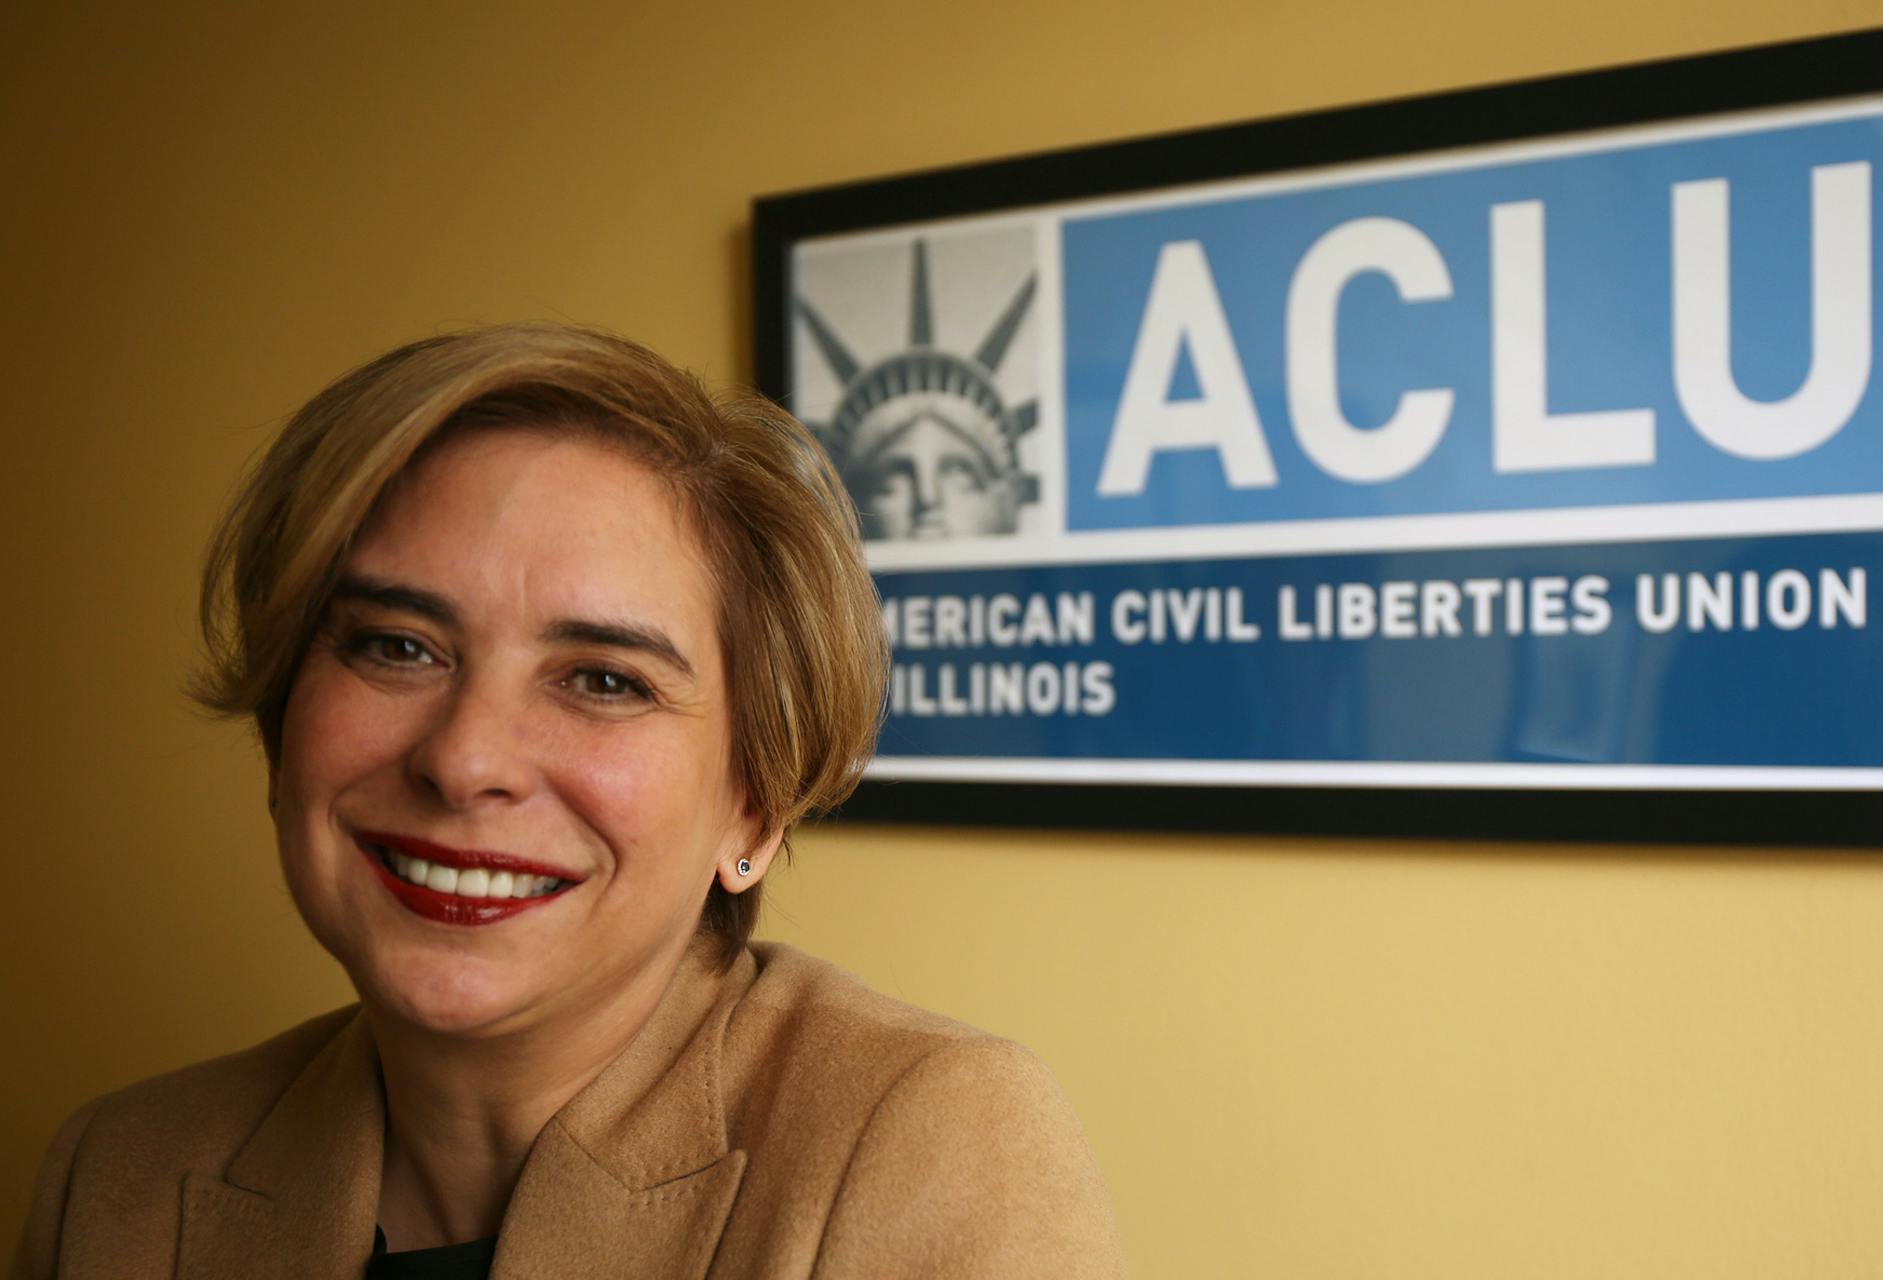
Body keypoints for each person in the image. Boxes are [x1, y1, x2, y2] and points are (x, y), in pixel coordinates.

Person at [13, 323, 1125, 1278]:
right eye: (397, 645)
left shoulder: (925, 1139)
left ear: (753, 807)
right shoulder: (121, 1171)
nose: (465, 758)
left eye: (603, 678)